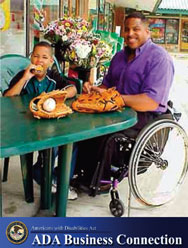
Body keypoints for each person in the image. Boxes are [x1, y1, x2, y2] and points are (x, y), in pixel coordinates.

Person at [73, 12, 174, 193]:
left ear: (147, 31)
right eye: (126, 29)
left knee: (104, 132)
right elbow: (107, 86)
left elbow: (150, 101)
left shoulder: (159, 59)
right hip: (118, 108)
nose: (130, 34)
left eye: (136, 29)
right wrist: (94, 89)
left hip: (145, 114)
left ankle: (100, 179)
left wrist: (117, 99)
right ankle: (78, 171)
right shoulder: (119, 56)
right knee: (85, 123)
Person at [4, 41, 78, 200]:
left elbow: (73, 89)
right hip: (23, 124)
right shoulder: (23, 76)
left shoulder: (53, 77)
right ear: (31, 58)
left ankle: (60, 180)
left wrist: (56, 96)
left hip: (48, 124)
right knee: (52, 144)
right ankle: (43, 173)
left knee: (71, 141)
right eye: (36, 56)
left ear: (51, 61)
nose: (39, 61)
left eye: (44, 57)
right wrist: (25, 77)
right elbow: (7, 97)